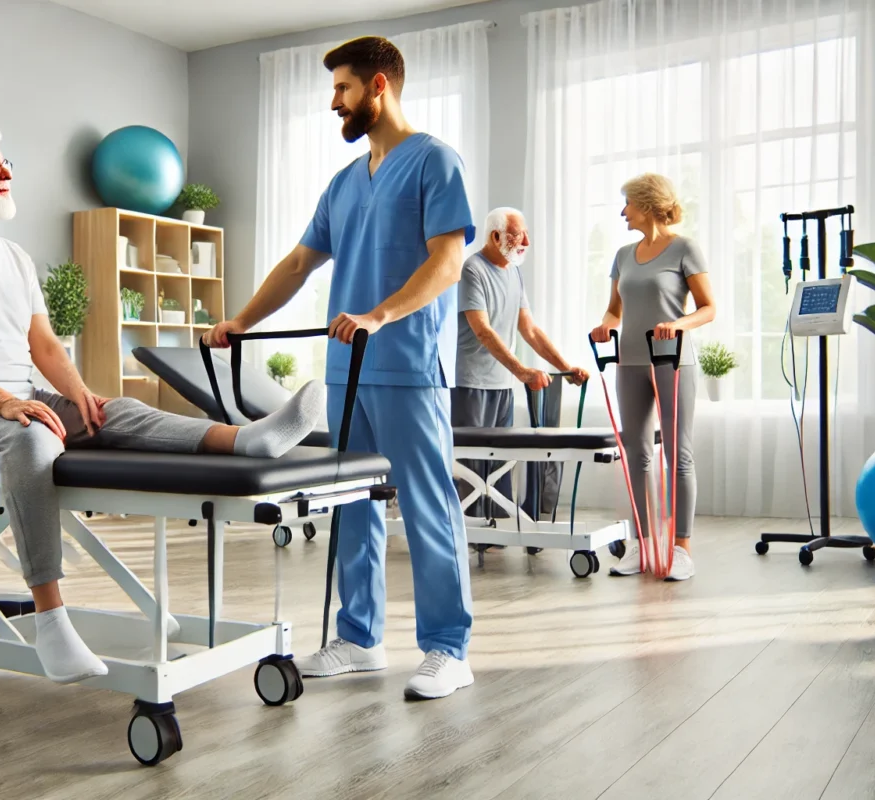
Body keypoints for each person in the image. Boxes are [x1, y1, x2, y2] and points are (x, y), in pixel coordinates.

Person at [0, 121, 327, 684]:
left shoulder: (16, 258)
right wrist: (4, 403)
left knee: (113, 409)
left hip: (17, 394)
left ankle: (247, 438)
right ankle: (51, 623)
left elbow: (44, 344)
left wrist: (77, 393)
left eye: (4, 159)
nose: (6, 171)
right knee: (32, 439)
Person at [205, 36, 476, 700]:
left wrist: (382, 315)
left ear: (378, 86)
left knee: (427, 505)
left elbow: (447, 263)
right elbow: (300, 264)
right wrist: (243, 320)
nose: (335, 103)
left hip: (406, 365)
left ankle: (449, 648)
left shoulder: (435, 162)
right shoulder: (344, 183)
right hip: (347, 369)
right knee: (351, 503)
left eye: (343, 89)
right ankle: (359, 638)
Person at [589, 173, 715, 582]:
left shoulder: (684, 249)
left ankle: (681, 549)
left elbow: (708, 308)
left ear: (646, 204)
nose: (623, 212)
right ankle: (643, 545)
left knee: (677, 453)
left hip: (671, 360)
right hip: (630, 362)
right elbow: (615, 310)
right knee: (637, 454)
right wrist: (604, 326)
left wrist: (678, 324)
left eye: (627, 204)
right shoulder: (624, 255)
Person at [454, 207, 589, 520]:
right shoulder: (472, 269)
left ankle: (499, 530)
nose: (526, 240)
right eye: (518, 234)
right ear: (496, 236)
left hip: (502, 384)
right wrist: (523, 371)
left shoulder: (513, 272)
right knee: (472, 463)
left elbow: (529, 329)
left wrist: (566, 369)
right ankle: (472, 533)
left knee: (502, 461)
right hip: (470, 382)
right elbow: (482, 331)